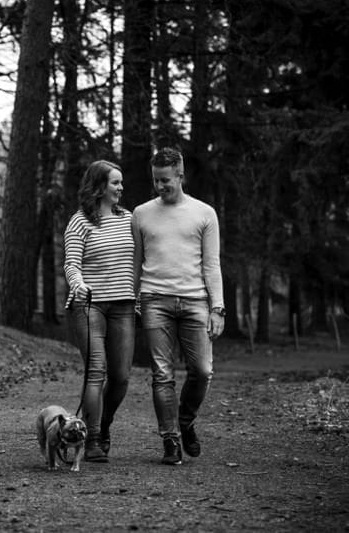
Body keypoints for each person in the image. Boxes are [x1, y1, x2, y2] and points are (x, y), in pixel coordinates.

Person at [132, 147, 225, 465]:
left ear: (181, 176)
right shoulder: (141, 213)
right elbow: (137, 261)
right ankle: (170, 439)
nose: (160, 186)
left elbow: (212, 264)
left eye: (166, 180)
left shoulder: (204, 213)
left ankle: (185, 421)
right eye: (156, 180)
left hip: (196, 300)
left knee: (202, 371)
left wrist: (218, 308)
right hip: (154, 299)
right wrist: (134, 300)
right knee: (162, 374)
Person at [63, 159, 136, 462]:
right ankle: (91, 438)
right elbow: (71, 264)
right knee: (96, 371)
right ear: (100, 186)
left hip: (123, 305)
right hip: (89, 305)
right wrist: (78, 284)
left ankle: (103, 424)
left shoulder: (130, 219)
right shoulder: (80, 221)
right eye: (115, 182)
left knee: (120, 376)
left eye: (121, 182)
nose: (121, 187)